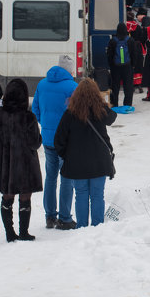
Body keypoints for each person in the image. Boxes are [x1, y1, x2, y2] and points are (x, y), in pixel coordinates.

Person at [53, 78, 117, 228]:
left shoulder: (70, 113)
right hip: (99, 162)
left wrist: (67, 156)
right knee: (97, 196)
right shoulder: (100, 111)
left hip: (77, 163)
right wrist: (101, 103)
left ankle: (82, 228)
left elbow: (59, 140)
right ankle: (98, 228)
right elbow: (112, 117)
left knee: (81, 195)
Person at [0, 79, 43, 242]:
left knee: (7, 196)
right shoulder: (28, 117)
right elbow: (35, 142)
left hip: (4, 162)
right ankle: (24, 232)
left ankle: (9, 232)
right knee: (25, 197)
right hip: (25, 164)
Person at [31, 58, 78, 230]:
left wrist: (45, 123)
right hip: (67, 141)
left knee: (51, 177)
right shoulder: (72, 87)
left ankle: (50, 216)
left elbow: (35, 108)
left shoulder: (42, 84)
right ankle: (65, 218)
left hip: (48, 139)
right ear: (70, 71)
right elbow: (78, 114)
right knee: (67, 178)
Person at [106, 22, 141, 108]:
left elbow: (109, 55)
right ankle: (127, 104)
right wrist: (133, 65)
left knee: (115, 86)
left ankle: (114, 104)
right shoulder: (130, 40)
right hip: (127, 67)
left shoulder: (112, 41)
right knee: (128, 86)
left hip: (115, 67)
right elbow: (134, 54)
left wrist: (111, 65)